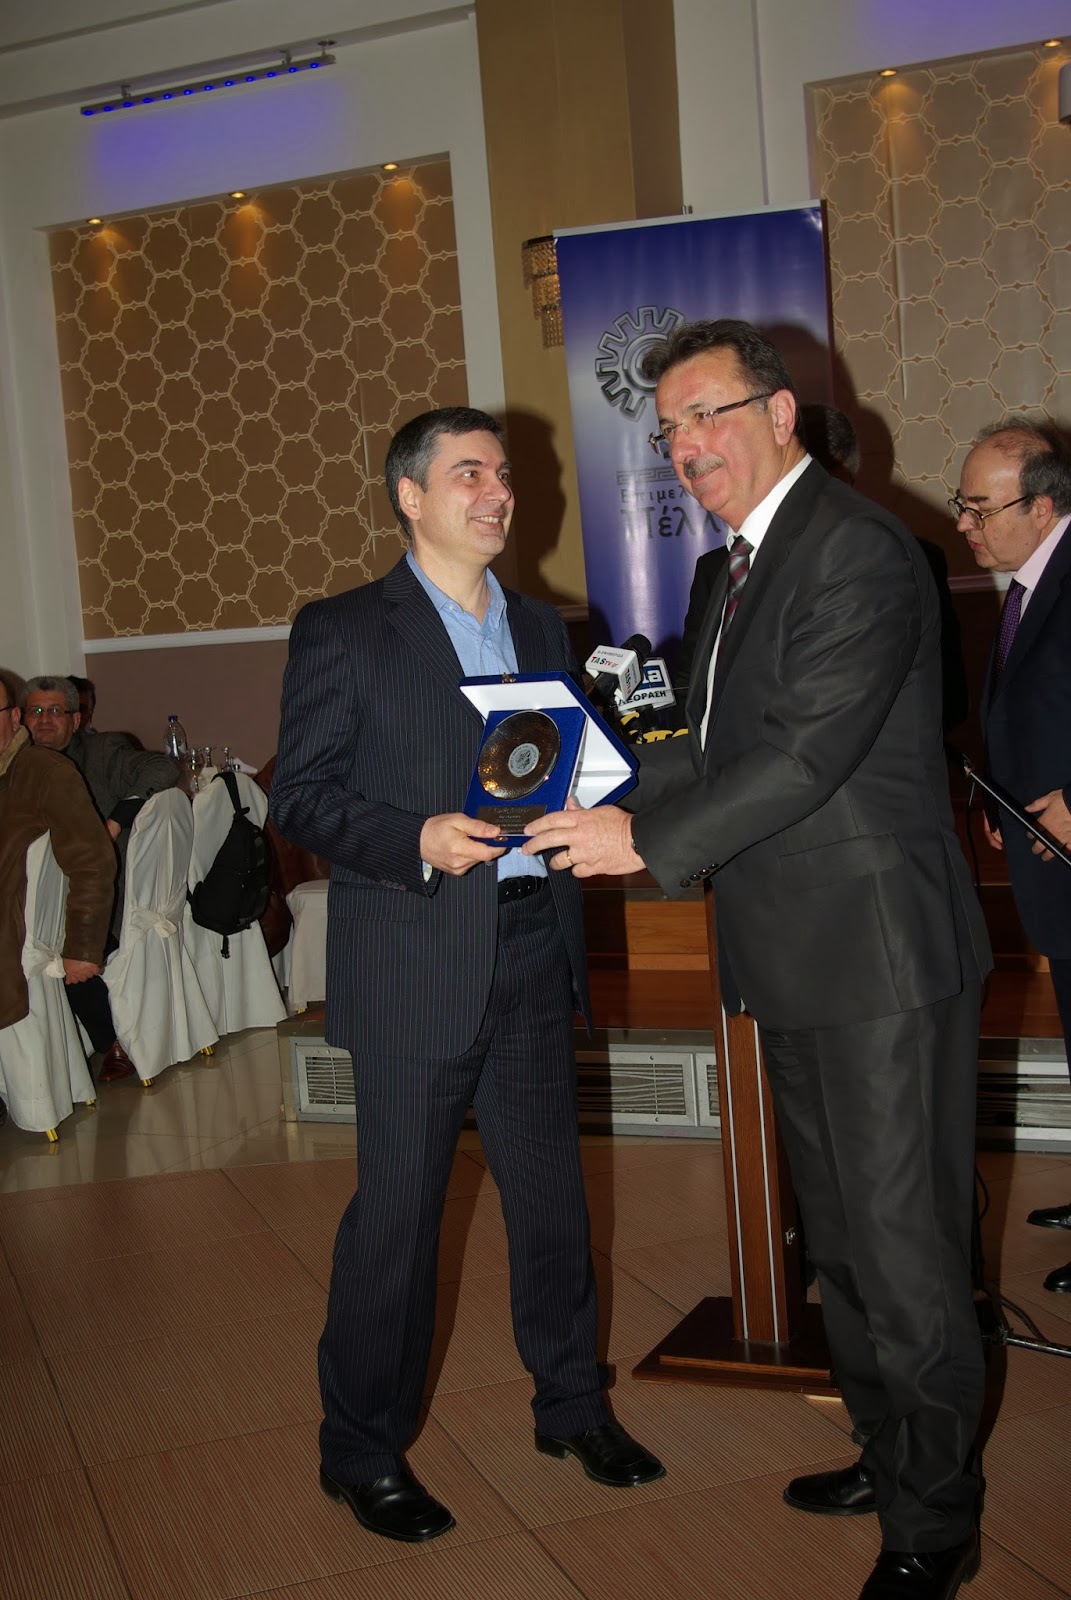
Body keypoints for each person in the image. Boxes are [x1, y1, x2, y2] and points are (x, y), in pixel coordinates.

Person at [525, 321, 991, 1600]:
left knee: (903, 1249)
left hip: (881, 961)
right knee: (837, 1239)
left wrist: (643, 840)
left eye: (709, 415)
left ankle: (935, 1522)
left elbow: (804, 753)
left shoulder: (857, 549)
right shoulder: (727, 571)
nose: (686, 446)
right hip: (789, 951)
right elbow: (710, 739)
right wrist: (594, 785)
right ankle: (889, 1451)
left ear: (782, 414)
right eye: (669, 428)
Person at [270, 405, 662, 1546]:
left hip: (534, 945)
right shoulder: (345, 629)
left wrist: (611, 778)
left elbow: (563, 766)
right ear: (409, 496)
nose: (498, 492)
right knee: (396, 1220)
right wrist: (414, 837)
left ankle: (572, 1407)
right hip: (415, 956)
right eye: (470, 474)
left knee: (551, 1201)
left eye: (505, 475)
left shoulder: (541, 624)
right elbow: (300, 795)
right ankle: (360, 1450)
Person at [955, 418, 1071, 1295]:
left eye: (978, 508)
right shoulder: (1028, 583)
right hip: (1044, 857)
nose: (964, 524)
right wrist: (997, 794)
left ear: (1039, 506)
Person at [21, 675, 180, 1080]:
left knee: (66, 935)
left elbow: (162, 767)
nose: (43, 720)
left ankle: (112, 1039)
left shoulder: (102, 751)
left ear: (75, 720)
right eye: (35, 711)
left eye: (54, 711)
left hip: (102, 896)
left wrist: (113, 823)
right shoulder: (17, 766)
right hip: (29, 894)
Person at [0, 668, 116, 1124]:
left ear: (13, 718)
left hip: (11, 931)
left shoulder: (44, 772)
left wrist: (83, 947)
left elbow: (93, 861)